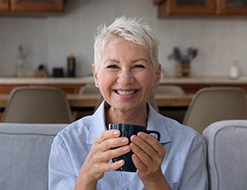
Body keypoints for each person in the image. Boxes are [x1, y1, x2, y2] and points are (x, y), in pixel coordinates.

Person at [48, 16, 208, 190]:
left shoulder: (189, 144)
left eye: (138, 66)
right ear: (96, 76)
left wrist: (155, 179)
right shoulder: (67, 143)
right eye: (112, 66)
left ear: (156, 75)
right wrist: (87, 177)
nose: (125, 80)